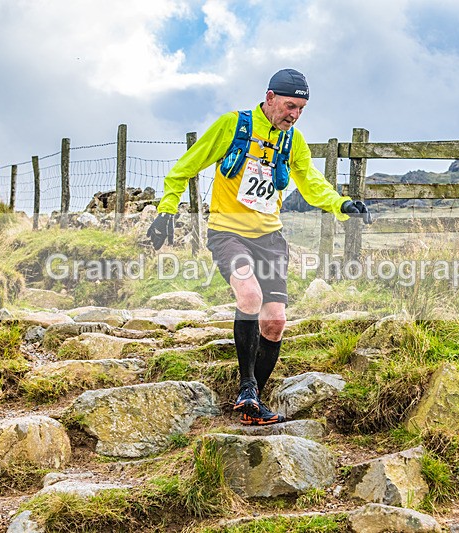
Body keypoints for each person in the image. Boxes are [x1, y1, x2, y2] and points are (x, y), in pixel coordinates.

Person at [147, 68, 372, 425]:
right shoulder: (233, 125)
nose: (294, 115)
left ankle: (252, 403)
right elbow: (184, 168)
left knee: (275, 322)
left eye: (301, 109)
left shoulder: (292, 141)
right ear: (270, 98)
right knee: (249, 296)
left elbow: (311, 182)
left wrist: (341, 204)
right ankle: (247, 385)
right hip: (228, 233)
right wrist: (166, 210)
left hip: (270, 237)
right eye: (289, 106)